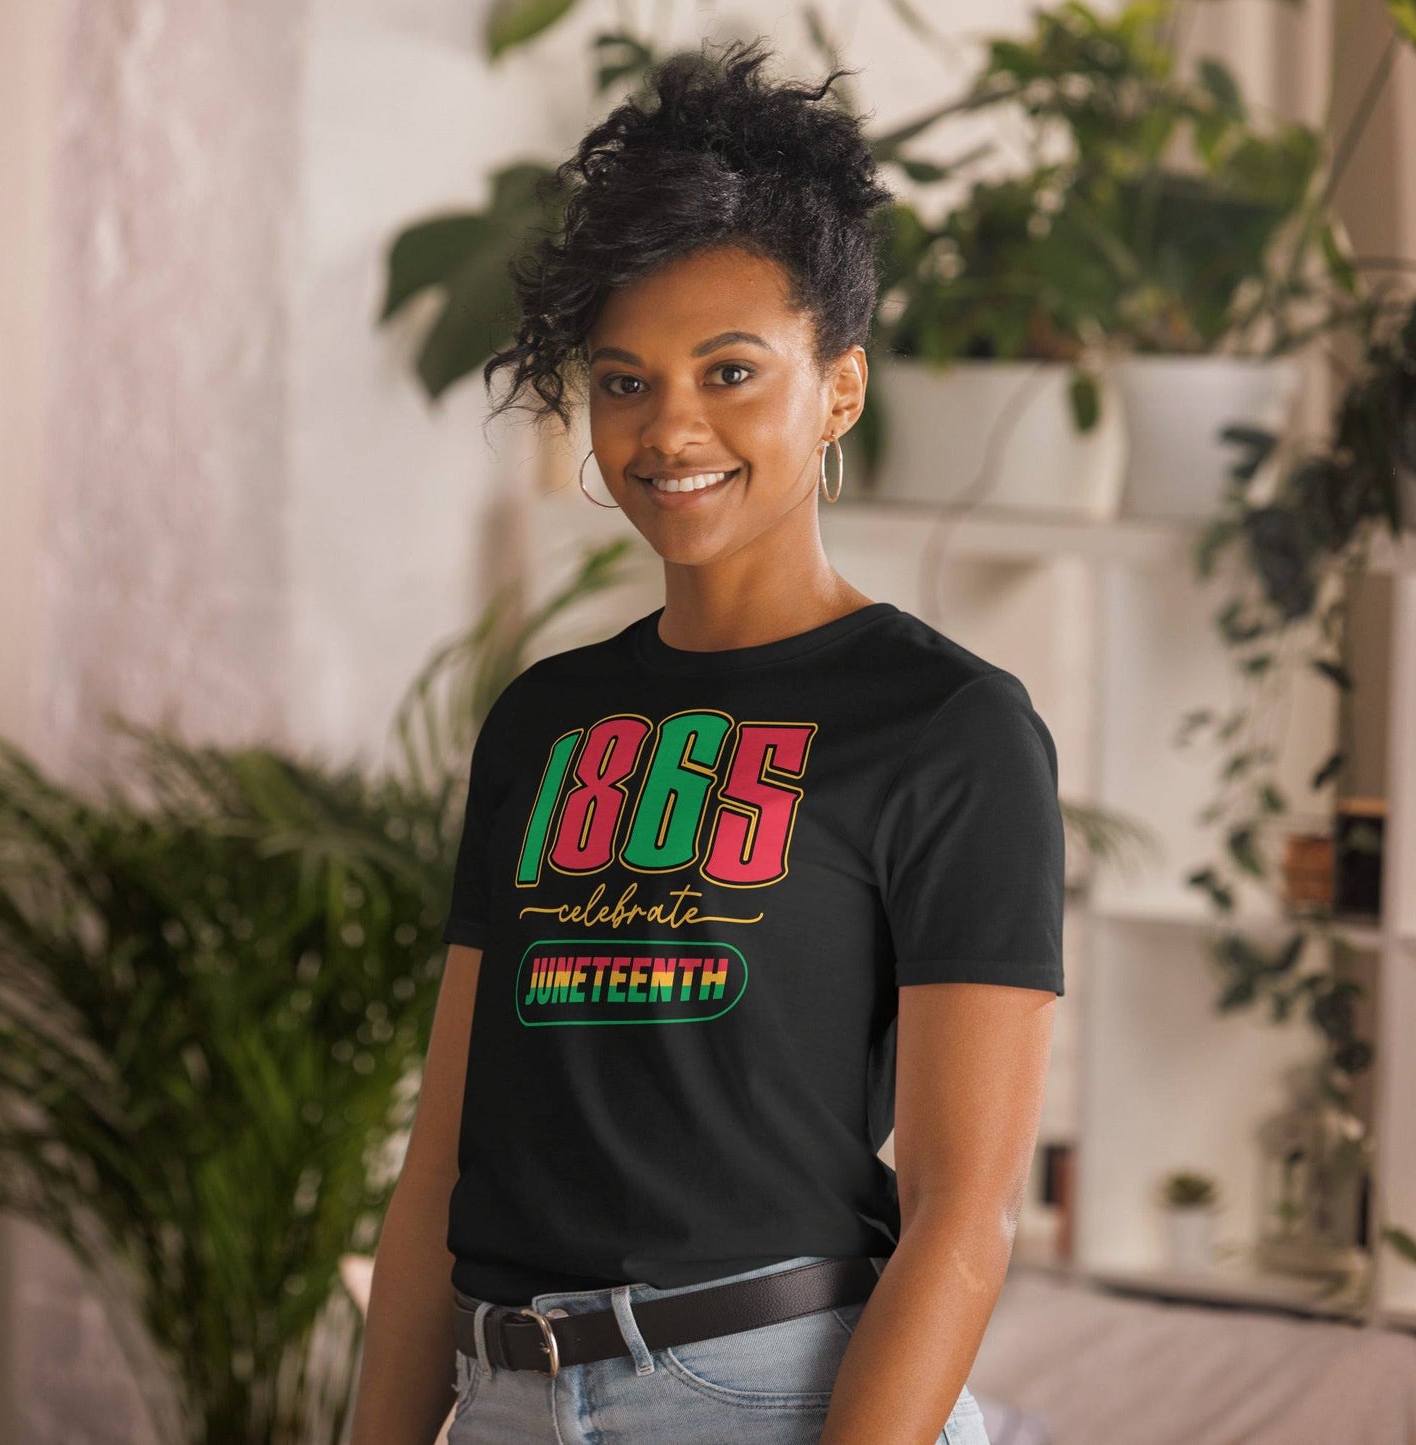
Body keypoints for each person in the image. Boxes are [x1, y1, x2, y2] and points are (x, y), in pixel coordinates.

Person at [349, 36, 1063, 1445]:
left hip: (769, 1393)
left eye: (730, 370)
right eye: (623, 381)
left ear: (837, 388)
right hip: (504, 1398)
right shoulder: (544, 719)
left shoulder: (946, 726)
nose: (669, 427)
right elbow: (443, 1161)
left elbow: (961, 1212)